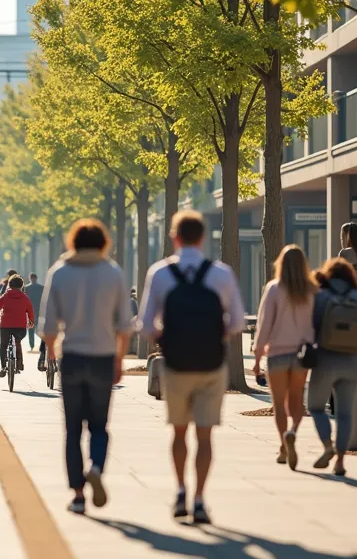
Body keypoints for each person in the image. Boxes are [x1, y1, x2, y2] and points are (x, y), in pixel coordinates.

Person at [140, 210, 246, 524]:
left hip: (175, 364)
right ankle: (200, 499)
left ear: (174, 237)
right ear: (202, 238)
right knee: (205, 435)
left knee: (178, 432)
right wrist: (217, 333)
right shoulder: (222, 273)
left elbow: (146, 325)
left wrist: (165, 333)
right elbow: (238, 321)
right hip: (211, 364)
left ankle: (180, 492)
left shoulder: (160, 273)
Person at [39, 218, 134, 515]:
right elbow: (124, 324)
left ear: (73, 241)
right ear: (103, 242)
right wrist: (119, 359)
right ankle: (96, 467)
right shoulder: (113, 272)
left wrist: (51, 355)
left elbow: (48, 324)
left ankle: (78, 495)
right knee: (99, 426)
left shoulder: (60, 272)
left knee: (72, 428)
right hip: (104, 357)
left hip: (73, 356)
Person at [250, 245, 317, 470]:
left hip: (277, 354)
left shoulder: (274, 289)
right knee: (297, 400)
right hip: (302, 354)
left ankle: (282, 445)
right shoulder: (312, 290)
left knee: (279, 404)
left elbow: (264, 325)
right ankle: (293, 432)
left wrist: (258, 359)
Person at [306, 257, 357, 476]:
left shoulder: (322, 296)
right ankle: (341, 462)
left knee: (316, 407)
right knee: (345, 414)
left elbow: (311, 329)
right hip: (351, 360)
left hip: (325, 358)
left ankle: (327, 445)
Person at [0, 275, 34, 378]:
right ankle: (19, 362)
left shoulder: (5, 296)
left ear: (9, 285)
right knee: (17, 341)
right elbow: (30, 312)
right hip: (21, 328)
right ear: (22, 286)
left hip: (6, 326)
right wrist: (31, 322)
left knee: (3, 346)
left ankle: (3, 367)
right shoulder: (25, 298)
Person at [23, 273, 45, 353]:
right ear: (36, 278)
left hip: (29, 312)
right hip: (40, 311)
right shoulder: (42, 288)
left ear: (30, 278)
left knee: (31, 330)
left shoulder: (26, 288)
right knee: (41, 330)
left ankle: (32, 346)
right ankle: (42, 346)